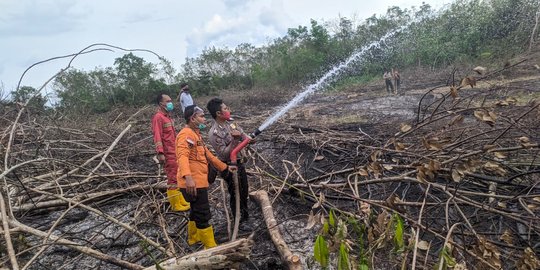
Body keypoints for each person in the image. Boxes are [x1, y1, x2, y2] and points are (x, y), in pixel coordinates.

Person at [176, 105, 235, 249]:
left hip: (198, 181)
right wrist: (188, 178)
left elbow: (209, 157)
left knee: (195, 210)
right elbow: (182, 156)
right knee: (203, 214)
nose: (204, 119)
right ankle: (211, 247)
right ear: (192, 118)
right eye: (201, 116)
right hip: (193, 183)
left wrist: (225, 168)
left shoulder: (196, 135)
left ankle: (193, 238)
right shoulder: (186, 135)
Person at [207, 98, 250, 225]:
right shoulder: (214, 133)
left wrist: (248, 138)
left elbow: (243, 135)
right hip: (229, 166)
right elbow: (224, 154)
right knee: (236, 192)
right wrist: (235, 140)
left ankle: (245, 215)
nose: (228, 110)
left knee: (244, 190)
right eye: (225, 109)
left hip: (239, 162)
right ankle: (239, 220)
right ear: (218, 113)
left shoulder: (231, 123)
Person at [151, 93, 190, 212]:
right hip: (167, 153)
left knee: (177, 175)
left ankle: (180, 199)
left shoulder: (167, 116)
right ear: (161, 103)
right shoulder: (158, 117)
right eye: (167, 101)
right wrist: (160, 152)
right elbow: (157, 136)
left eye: (170, 100)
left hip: (174, 150)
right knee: (172, 178)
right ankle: (174, 204)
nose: (170, 103)